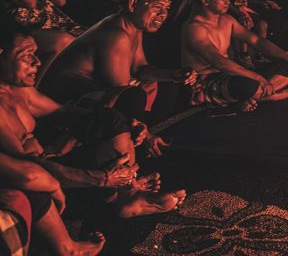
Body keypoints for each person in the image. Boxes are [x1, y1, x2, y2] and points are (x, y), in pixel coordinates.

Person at [0, 25, 185, 218]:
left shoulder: (19, 90)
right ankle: (121, 196)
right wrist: (101, 179)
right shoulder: (115, 34)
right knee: (101, 153)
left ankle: (128, 188)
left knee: (111, 118)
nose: (37, 62)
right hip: (48, 180)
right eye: (27, 55)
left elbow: (63, 112)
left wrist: (123, 124)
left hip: (52, 152)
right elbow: (25, 167)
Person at [38, 0, 196, 137]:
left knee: (165, 85)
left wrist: (173, 75)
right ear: (133, 4)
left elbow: (140, 68)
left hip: (88, 93)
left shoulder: (133, 27)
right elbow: (120, 91)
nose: (163, 14)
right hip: (63, 104)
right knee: (133, 97)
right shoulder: (116, 34)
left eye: (167, 8)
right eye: (157, 7)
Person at [180, 0, 288, 112]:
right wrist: (259, 78)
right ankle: (271, 96)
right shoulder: (194, 28)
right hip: (205, 81)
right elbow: (218, 61)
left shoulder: (227, 19)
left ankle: (250, 97)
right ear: (205, 0)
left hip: (229, 75)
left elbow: (257, 41)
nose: (228, 1)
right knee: (246, 85)